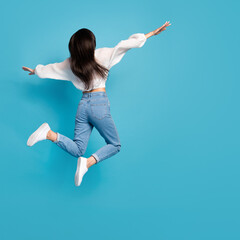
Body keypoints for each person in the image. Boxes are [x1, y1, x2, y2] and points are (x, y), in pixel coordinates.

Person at [22, 21, 171, 186]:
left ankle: (49, 134)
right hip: (98, 104)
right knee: (115, 145)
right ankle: (87, 163)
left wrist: (36, 70)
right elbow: (125, 45)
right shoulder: (103, 54)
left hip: (83, 105)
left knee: (78, 149)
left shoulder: (71, 63)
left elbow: (52, 69)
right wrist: (150, 34)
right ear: (91, 43)